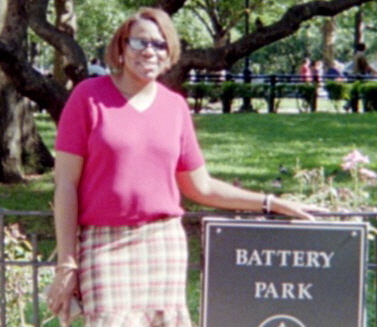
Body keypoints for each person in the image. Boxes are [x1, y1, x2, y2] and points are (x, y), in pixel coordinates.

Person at [47, 7, 322, 327]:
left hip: (163, 243)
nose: (150, 50)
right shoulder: (88, 97)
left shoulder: (174, 106)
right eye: (140, 42)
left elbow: (200, 186)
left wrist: (271, 202)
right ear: (121, 47)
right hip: (104, 245)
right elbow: (65, 184)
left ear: (170, 53)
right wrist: (67, 264)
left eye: (160, 44)